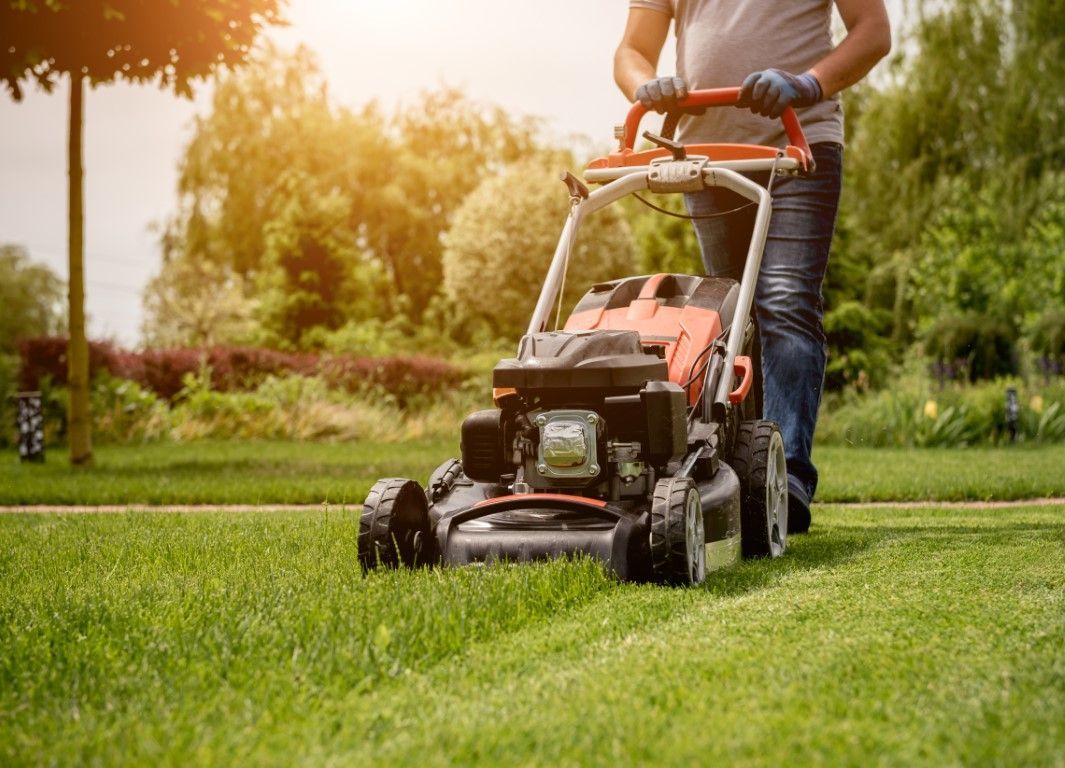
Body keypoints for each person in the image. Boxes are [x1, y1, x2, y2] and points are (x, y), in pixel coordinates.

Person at [615, 0, 891, 533]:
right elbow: (631, 51)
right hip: (709, 158)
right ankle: (743, 474)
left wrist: (808, 84)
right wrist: (646, 86)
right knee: (734, 319)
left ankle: (786, 480)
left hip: (797, 143)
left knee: (784, 300)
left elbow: (873, 32)